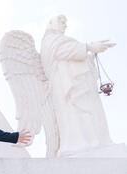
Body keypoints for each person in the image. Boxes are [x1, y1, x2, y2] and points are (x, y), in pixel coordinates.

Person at [40, 15, 115, 157]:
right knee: (75, 118)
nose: (65, 25)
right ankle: (79, 146)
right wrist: (88, 47)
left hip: (77, 86)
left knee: (89, 114)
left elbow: (73, 56)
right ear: (50, 23)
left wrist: (90, 55)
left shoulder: (59, 40)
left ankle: (96, 143)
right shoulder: (49, 41)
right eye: (61, 22)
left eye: (66, 22)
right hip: (65, 90)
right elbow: (63, 52)